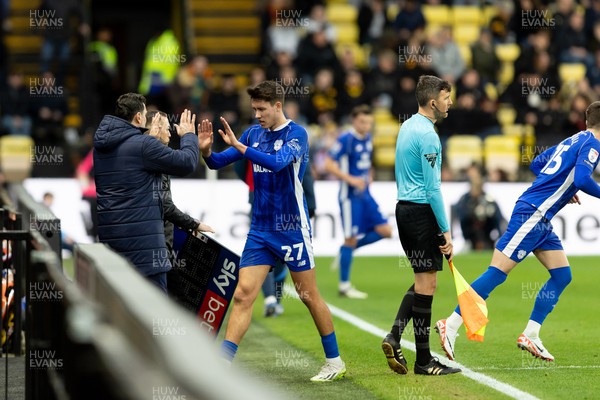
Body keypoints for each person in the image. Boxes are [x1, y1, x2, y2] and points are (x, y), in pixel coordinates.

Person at [198, 80, 346, 381]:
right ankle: (223, 364)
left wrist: (242, 149)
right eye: (253, 109)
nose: (256, 115)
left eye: (261, 109)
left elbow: (279, 163)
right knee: (242, 294)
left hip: (292, 228)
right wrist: (206, 152)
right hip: (261, 230)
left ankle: (334, 362)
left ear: (278, 105)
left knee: (307, 294)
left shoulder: (298, 134)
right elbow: (217, 163)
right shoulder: (253, 134)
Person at [436, 101, 600, 363]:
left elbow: (537, 164)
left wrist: (563, 189)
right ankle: (451, 324)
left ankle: (531, 334)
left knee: (562, 275)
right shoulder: (592, 144)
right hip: (532, 214)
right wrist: (570, 187)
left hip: (541, 218)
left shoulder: (575, 138)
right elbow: (581, 179)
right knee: (497, 272)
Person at [381, 75, 461, 376]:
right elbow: (432, 188)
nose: (450, 102)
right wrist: (446, 230)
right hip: (421, 212)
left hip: (404, 209)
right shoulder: (428, 135)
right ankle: (424, 360)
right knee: (427, 285)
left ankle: (395, 335)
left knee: (422, 282)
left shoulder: (407, 126)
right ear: (433, 102)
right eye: (447, 97)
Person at [93, 93, 199, 292]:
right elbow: (187, 163)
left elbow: (132, 176)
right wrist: (188, 135)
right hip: (145, 251)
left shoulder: (101, 147)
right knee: (153, 316)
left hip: (112, 243)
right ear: (139, 118)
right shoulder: (144, 146)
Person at [143, 110, 214, 301]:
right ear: (155, 128)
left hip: (154, 246)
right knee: (176, 305)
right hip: (156, 248)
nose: (170, 133)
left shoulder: (140, 155)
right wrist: (194, 224)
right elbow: (165, 206)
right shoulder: (154, 158)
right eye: (167, 128)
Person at [326, 105, 392, 299]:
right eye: (363, 122)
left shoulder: (368, 138)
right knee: (350, 238)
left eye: (369, 122)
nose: (366, 125)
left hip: (365, 194)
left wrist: (368, 175)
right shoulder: (346, 139)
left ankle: (346, 250)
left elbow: (366, 161)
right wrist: (350, 179)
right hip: (349, 196)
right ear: (354, 121)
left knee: (385, 231)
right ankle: (344, 286)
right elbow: (329, 164)